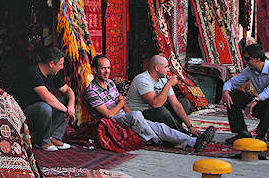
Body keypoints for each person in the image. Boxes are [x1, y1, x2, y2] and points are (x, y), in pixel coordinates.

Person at [84, 55, 215, 152]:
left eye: (108, 68)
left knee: (160, 127)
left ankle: (194, 142)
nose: (107, 72)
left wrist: (125, 108)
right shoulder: (91, 91)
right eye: (103, 69)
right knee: (143, 115)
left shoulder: (110, 83)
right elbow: (108, 114)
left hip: (127, 115)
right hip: (114, 119)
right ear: (95, 70)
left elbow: (122, 103)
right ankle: (158, 140)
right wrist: (122, 104)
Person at [221, 43, 269, 143]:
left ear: (257, 59)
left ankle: (260, 134)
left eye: (247, 59)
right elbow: (232, 82)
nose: (245, 62)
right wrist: (225, 91)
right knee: (233, 94)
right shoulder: (249, 71)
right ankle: (241, 131)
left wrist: (256, 100)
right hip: (264, 107)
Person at [13, 47, 76, 151]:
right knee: (45, 107)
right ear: (51, 64)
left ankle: (55, 137)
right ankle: (44, 142)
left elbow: (68, 91)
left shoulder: (53, 73)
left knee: (66, 100)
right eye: (60, 64)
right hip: (25, 114)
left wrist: (70, 106)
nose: (62, 67)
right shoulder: (32, 72)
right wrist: (67, 110)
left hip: (45, 112)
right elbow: (47, 97)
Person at [126, 55, 198, 136]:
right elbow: (156, 104)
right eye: (166, 67)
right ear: (157, 68)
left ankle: (177, 130)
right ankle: (184, 134)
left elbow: (175, 104)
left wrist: (190, 126)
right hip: (141, 114)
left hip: (156, 110)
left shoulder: (163, 79)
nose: (168, 70)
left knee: (184, 103)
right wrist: (168, 84)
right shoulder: (142, 79)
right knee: (161, 111)